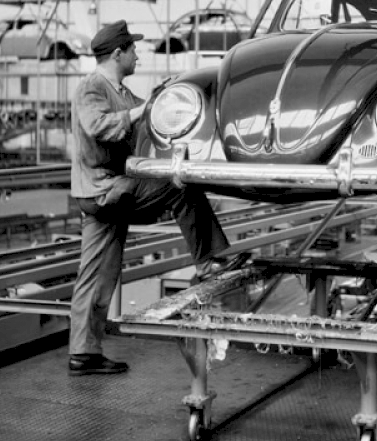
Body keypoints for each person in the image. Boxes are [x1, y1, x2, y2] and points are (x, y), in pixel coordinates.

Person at [67, 19, 249, 376]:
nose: (138, 54)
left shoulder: (119, 90)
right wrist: (142, 109)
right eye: (133, 49)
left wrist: (162, 101)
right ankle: (209, 260)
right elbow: (98, 126)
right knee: (180, 182)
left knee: (98, 276)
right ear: (118, 53)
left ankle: (83, 353)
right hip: (105, 191)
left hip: (108, 193)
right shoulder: (92, 87)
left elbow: (151, 118)